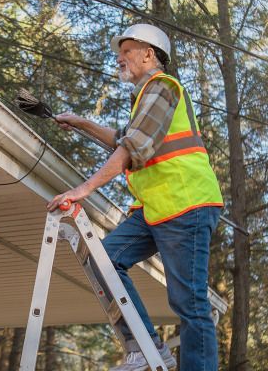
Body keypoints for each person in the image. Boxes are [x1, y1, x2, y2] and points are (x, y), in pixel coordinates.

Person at [46, 24, 223, 371]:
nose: (120, 57)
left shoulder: (162, 87)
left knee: (190, 304)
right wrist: (81, 123)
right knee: (104, 259)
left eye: (127, 50)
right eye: (120, 51)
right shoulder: (145, 98)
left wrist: (82, 189)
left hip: (186, 204)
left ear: (149, 55)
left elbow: (131, 147)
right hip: (158, 209)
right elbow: (122, 139)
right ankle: (145, 347)